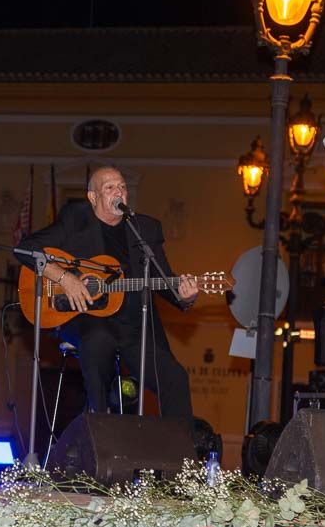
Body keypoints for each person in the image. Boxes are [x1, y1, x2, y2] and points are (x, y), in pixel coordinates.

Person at [16, 166, 199, 419]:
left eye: (122, 187)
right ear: (93, 197)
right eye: (110, 187)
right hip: (85, 319)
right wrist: (65, 278)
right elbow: (25, 250)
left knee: (175, 378)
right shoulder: (75, 219)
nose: (118, 192)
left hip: (135, 328)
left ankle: (181, 457)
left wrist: (185, 296)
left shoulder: (144, 229)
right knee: (99, 341)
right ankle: (100, 427)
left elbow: (163, 279)